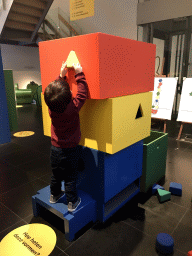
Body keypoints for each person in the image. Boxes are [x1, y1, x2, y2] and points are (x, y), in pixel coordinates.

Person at [44, 61, 88, 212]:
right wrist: (79, 73)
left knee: (56, 175)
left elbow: (54, 94)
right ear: (69, 96)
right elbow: (82, 94)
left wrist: (60, 76)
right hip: (71, 150)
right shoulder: (73, 108)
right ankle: (72, 202)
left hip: (55, 149)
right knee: (70, 178)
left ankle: (54, 196)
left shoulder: (51, 109)